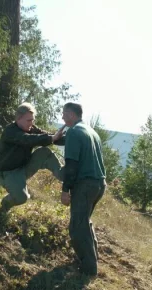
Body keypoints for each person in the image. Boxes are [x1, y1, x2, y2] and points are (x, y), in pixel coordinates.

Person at [60, 102, 106, 276]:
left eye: (64, 114)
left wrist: (65, 190)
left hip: (85, 185)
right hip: (100, 184)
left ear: (72, 115)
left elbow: (71, 165)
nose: (62, 117)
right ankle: (92, 258)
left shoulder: (73, 132)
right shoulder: (91, 132)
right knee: (84, 221)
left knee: (77, 227)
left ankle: (88, 269)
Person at [0, 102, 65, 210]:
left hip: (23, 169)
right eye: (28, 120)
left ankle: (64, 175)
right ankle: (6, 203)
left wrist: (69, 139)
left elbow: (46, 136)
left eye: (32, 120)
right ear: (18, 119)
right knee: (22, 198)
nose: (31, 123)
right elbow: (27, 139)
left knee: (44, 152)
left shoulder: (30, 128)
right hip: (8, 174)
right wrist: (51, 138)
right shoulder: (11, 131)